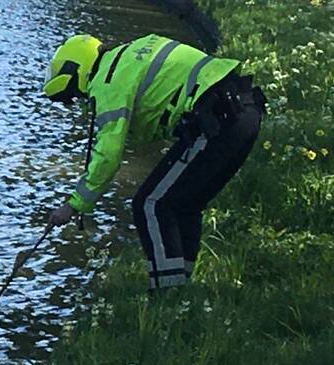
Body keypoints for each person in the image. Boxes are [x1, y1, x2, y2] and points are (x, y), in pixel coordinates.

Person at [44, 34, 266, 290]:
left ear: (77, 71)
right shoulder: (130, 54)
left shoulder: (107, 81)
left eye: (77, 94)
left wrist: (74, 205)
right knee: (184, 205)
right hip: (242, 110)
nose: (85, 101)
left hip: (217, 121)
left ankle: (166, 296)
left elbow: (108, 155)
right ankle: (182, 292)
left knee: (150, 204)